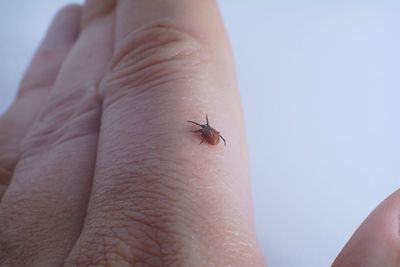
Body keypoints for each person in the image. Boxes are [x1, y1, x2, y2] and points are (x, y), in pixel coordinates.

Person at [0, 1, 398, 266]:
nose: (206, 131)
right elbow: (211, 135)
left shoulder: (207, 134)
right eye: (206, 129)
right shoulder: (208, 133)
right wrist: (207, 134)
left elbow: (210, 136)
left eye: (207, 129)